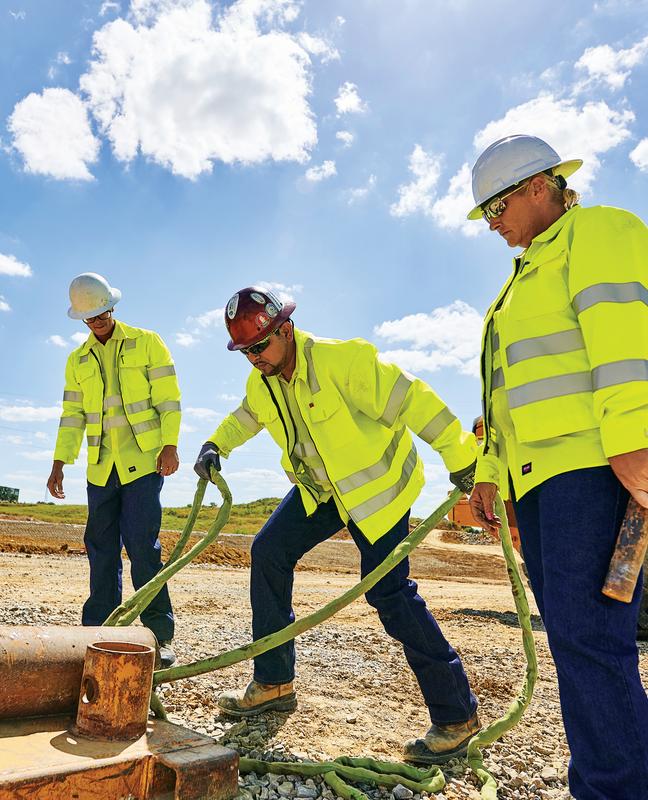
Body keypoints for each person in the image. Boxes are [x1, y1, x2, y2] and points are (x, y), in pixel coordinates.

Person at [194, 286, 480, 765]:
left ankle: (456, 714)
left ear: (285, 329)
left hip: (379, 491)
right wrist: (214, 444)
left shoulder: (340, 362)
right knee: (268, 552)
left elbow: (411, 398)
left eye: (260, 346)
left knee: (389, 593)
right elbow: (247, 416)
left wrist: (460, 454)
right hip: (323, 491)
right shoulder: (261, 381)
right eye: (245, 352)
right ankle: (273, 681)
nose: (254, 359)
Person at [465, 134, 648, 800]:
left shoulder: (596, 233)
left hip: (591, 469)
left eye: (497, 207)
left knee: (591, 643)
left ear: (540, 186)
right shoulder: (519, 281)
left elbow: (624, 336)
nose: (493, 225)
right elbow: (507, 392)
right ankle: (608, 780)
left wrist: (634, 439)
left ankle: (615, 788)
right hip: (540, 480)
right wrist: (491, 471)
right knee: (577, 642)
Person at [47, 273, 181, 668]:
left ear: (111, 306)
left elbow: (169, 399)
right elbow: (71, 415)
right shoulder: (77, 360)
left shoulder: (147, 343)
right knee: (101, 551)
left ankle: (160, 637)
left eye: (100, 313)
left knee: (143, 549)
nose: (95, 321)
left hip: (143, 464)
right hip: (101, 469)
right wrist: (59, 462)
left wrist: (170, 444)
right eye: (87, 317)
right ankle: (97, 634)